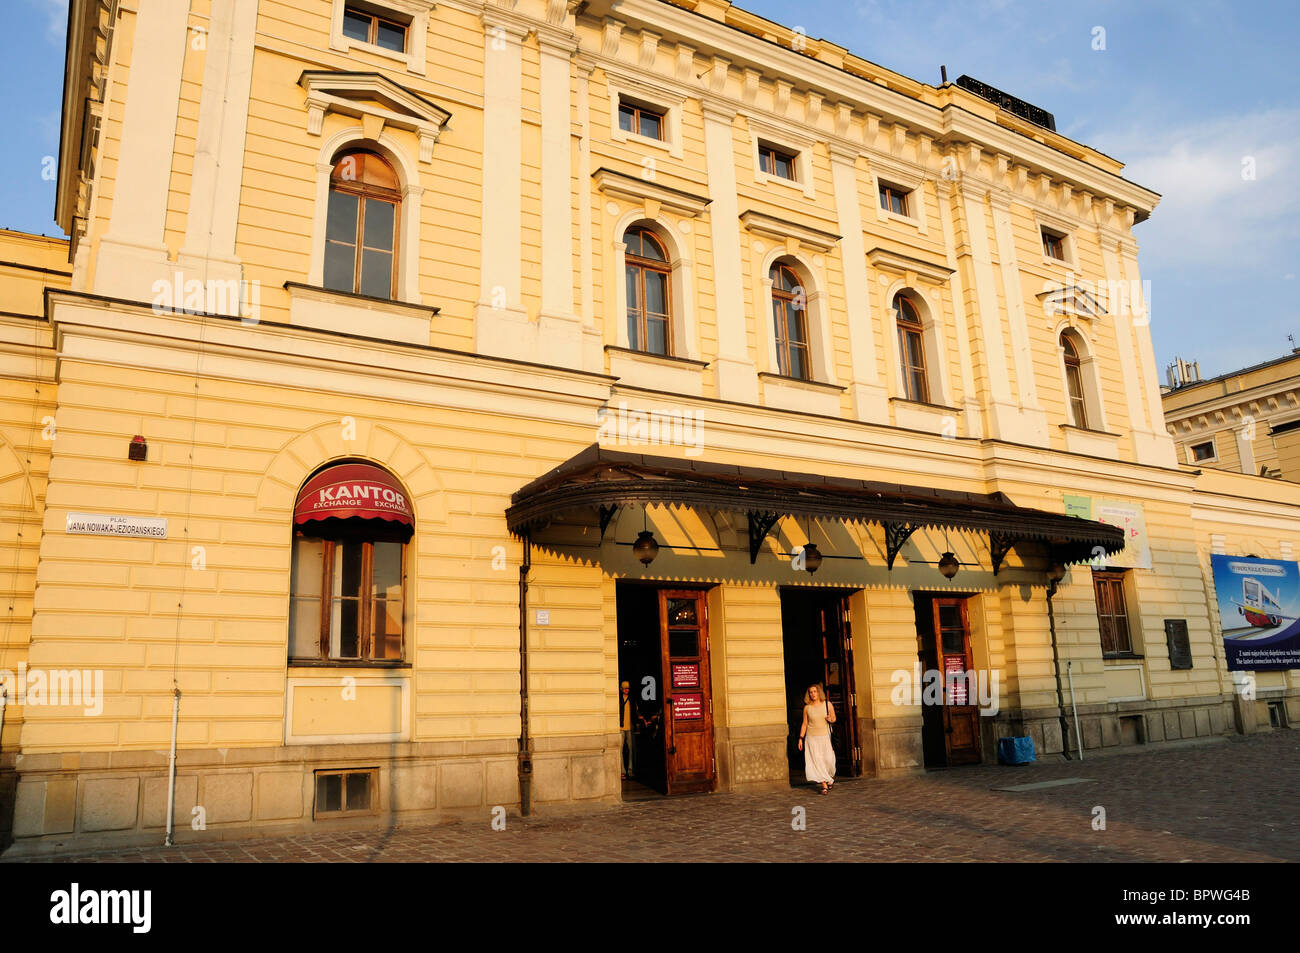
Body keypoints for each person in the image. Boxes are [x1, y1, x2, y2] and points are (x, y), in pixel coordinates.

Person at [798, 683, 837, 794]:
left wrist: (831, 719)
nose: (813, 694)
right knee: (817, 761)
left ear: (819, 693)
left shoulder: (827, 704)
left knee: (829, 760)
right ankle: (824, 785)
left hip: (825, 737)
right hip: (811, 738)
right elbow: (804, 724)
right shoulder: (807, 708)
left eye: (815, 691)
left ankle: (829, 778)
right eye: (810, 692)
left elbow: (834, 718)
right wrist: (801, 738)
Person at [620, 680, 636, 779]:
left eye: (628, 688)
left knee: (631, 749)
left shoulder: (631, 699)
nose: (627, 690)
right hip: (620, 727)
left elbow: (634, 712)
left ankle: (630, 770)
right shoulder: (618, 699)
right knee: (620, 750)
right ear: (621, 689)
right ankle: (622, 771)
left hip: (629, 727)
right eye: (625, 688)